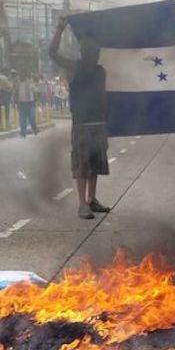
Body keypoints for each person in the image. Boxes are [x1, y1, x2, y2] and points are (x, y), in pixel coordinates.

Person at [49, 16, 112, 220]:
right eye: (89, 49)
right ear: (83, 51)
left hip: (98, 123)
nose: (93, 52)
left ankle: (92, 199)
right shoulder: (73, 67)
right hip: (82, 125)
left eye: (95, 50)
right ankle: (82, 204)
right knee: (82, 165)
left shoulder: (101, 71)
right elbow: (52, 53)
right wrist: (60, 29)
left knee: (95, 164)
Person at [15, 70, 38, 137]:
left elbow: (35, 91)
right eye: (20, 75)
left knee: (32, 118)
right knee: (22, 119)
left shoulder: (30, 82)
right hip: (21, 103)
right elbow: (15, 92)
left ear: (25, 75)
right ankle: (23, 133)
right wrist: (14, 100)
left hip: (30, 103)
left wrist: (35, 100)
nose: (21, 76)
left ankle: (34, 129)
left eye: (23, 75)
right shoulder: (18, 83)